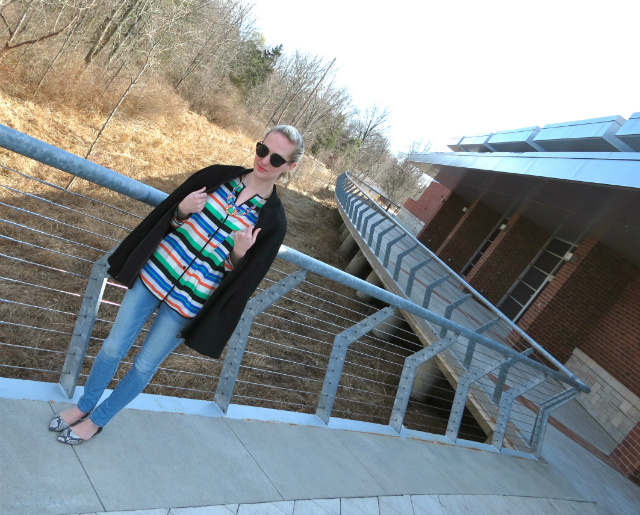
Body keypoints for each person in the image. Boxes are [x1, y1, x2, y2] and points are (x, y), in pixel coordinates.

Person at [49, 125, 304, 444]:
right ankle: (83, 406)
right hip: (154, 274)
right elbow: (167, 217)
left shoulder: (273, 222)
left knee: (143, 367)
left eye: (277, 158)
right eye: (262, 149)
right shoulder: (217, 177)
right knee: (113, 347)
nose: (265, 160)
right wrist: (181, 211)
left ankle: (98, 420)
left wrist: (237, 256)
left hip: (190, 302)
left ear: (290, 167)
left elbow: (243, 281)